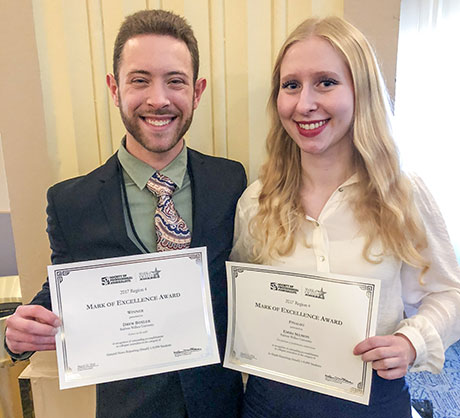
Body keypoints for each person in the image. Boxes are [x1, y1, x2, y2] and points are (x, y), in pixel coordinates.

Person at [5, 9, 245, 418]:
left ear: (197, 92)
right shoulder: (71, 203)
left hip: (221, 407)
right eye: (140, 80)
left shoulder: (230, 182)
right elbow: (66, 292)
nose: (158, 99)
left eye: (175, 81)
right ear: (114, 89)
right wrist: (18, 334)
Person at [231, 16, 460, 418]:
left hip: (372, 402)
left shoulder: (403, 195)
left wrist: (411, 342)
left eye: (326, 82)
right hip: (271, 404)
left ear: (362, 91)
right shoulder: (256, 201)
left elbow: (449, 294)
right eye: (291, 86)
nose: (304, 104)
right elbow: (244, 304)